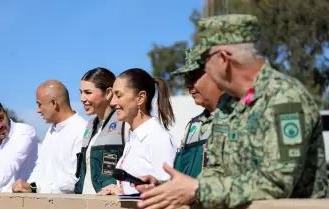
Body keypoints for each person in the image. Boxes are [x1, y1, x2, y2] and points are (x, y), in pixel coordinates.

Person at [137, 14, 328, 209]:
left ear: (223, 59)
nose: (205, 70)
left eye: (204, 61)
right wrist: (170, 188)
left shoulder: (285, 98)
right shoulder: (227, 104)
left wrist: (198, 190)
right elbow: (217, 169)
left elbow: (276, 183)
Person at [135, 47, 224, 190]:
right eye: (186, 78)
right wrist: (159, 184)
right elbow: (182, 176)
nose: (188, 85)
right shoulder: (194, 125)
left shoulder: (238, 119)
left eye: (194, 77)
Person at [98, 68, 177, 195]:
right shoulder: (133, 136)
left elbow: (168, 190)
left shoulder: (158, 137)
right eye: (113, 96)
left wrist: (123, 192)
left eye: (119, 95)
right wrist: (119, 191)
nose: (112, 102)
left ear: (140, 98)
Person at [11, 80, 87, 194]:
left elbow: (74, 181)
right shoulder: (52, 130)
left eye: (39, 104)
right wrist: (27, 186)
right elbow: (40, 166)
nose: (37, 110)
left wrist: (34, 188)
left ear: (54, 103)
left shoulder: (81, 130)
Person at [74, 67, 130, 194]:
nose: (82, 98)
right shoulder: (89, 127)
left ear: (108, 92)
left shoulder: (125, 124)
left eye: (88, 92)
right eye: (81, 92)